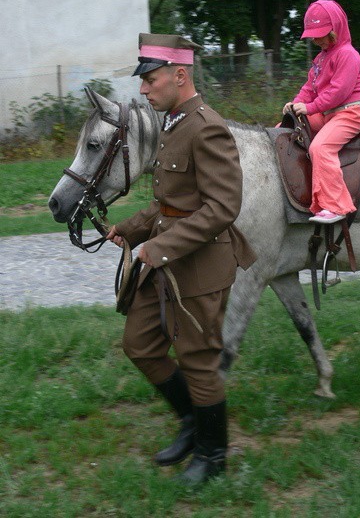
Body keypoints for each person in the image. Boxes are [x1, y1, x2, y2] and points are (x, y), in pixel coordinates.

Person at [106, 33, 256, 486]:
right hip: (164, 259)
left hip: (201, 266)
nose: (144, 89)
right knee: (140, 343)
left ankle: (214, 456)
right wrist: (131, 230)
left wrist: (159, 247)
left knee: (198, 361)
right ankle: (193, 422)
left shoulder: (206, 125)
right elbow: (171, 202)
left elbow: (222, 207)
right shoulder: (173, 123)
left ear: (179, 75)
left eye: (150, 80)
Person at [282, 0, 360, 224]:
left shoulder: (348, 54)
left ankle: (336, 206)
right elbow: (309, 88)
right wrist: (296, 103)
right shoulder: (321, 58)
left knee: (320, 147)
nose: (316, 39)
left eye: (321, 34)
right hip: (328, 113)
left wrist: (309, 108)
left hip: (350, 113)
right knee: (287, 131)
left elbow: (339, 92)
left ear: (336, 28)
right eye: (314, 34)